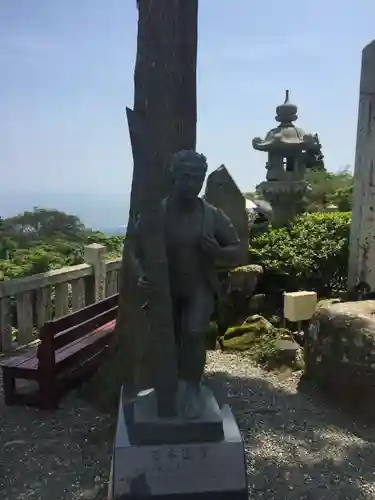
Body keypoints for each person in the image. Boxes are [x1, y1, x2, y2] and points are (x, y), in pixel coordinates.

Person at [133, 150, 241, 419]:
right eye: (186, 177)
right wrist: (142, 273)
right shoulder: (156, 212)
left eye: (197, 178)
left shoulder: (211, 215)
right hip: (164, 287)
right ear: (174, 176)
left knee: (193, 334)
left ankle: (193, 387)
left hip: (198, 286)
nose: (191, 183)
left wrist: (217, 251)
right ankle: (164, 387)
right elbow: (134, 248)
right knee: (163, 338)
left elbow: (237, 249)